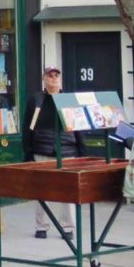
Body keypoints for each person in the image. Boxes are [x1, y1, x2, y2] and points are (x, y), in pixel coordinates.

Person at [21, 66, 87, 239]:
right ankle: (41, 226)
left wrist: (82, 149)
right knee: (42, 188)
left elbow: (78, 126)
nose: (54, 78)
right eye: (50, 76)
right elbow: (27, 126)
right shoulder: (36, 99)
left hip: (66, 150)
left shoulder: (68, 99)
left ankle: (68, 227)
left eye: (57, 75)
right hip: (42, 148)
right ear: (44, 79)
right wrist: (28, 151)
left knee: (68, 190)